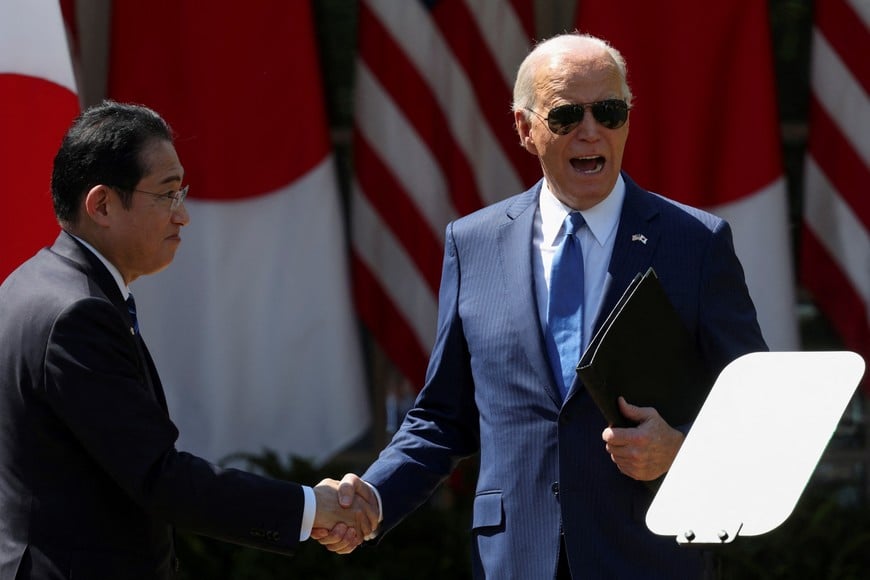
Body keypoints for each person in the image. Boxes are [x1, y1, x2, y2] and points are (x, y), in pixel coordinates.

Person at [316, 33, 768, 578]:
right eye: (566, 115)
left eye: (609, 111)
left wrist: (680, 452)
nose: (591, 130)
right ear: (525, 129)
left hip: (649, 557)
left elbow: (754, 413)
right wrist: (371, 497)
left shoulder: (695, 243)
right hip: (514, 560)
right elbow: (442, 417)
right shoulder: (473, 242)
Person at [0, 100, 377, 579]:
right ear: (102, 205)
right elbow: (160, 478)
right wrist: (311, 507)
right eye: (167, 194)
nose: (183, 217)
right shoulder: (78, 313)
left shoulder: (32, 284)